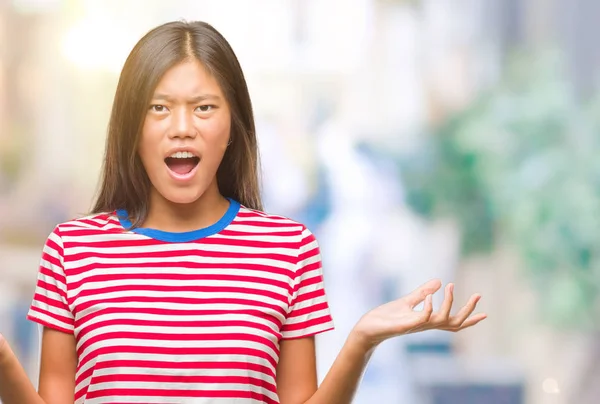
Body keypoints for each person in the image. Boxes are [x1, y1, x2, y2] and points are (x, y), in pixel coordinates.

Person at [0, 20, 486, 404]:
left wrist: (361, 339)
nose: (182, 128)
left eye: (204, 107)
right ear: (131, 127)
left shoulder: (287, 248)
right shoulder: (73, 248)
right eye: (159, 108)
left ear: (233, 125)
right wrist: (4, 363)